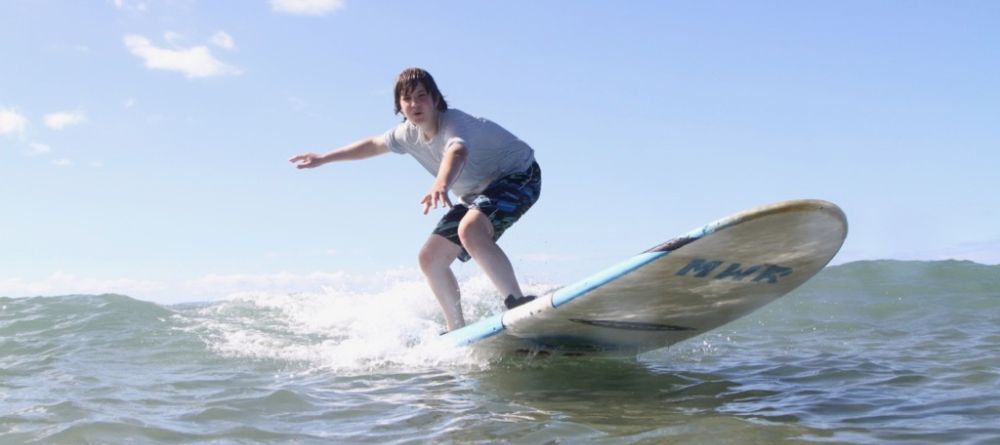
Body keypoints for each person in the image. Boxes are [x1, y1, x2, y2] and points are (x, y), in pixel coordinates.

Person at [289, 67, 541, 332]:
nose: (414, 104)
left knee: (470, 230)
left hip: (519, 175)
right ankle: (457, 329)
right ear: (399, 106)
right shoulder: (406, 133)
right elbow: (373, 144)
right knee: (430, 258)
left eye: (421, 96)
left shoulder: (453, 123)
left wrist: (441, 184)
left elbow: (457, 151)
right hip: (477, 194)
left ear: (435, 99)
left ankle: (517, 302)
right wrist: (324, 158)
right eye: (407, 99)